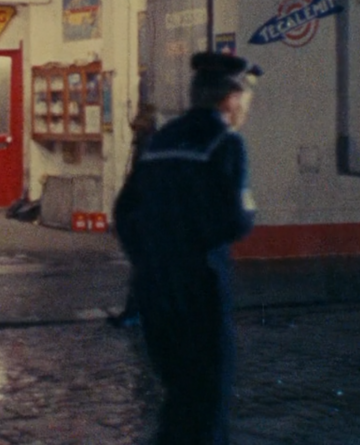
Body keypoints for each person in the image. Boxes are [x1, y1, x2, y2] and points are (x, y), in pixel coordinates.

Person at [113, 52, 262, 444]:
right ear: (231, 98)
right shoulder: (225, 142)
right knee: (208, 400)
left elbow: (124, 210)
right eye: (245, 97)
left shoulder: (161, 139)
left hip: (153, 286)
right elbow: (236, 219)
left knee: (178, 395)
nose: (246, 107)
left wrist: (148, 257)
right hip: (199, 287)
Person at [108, 103, 158, 329]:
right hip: (143, 212)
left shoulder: (145, 143)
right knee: (143, 267)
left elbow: (140, 179)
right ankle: (137, 311)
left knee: (142, 267)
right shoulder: (145, 142)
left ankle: (134, 312)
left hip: (143, 213)